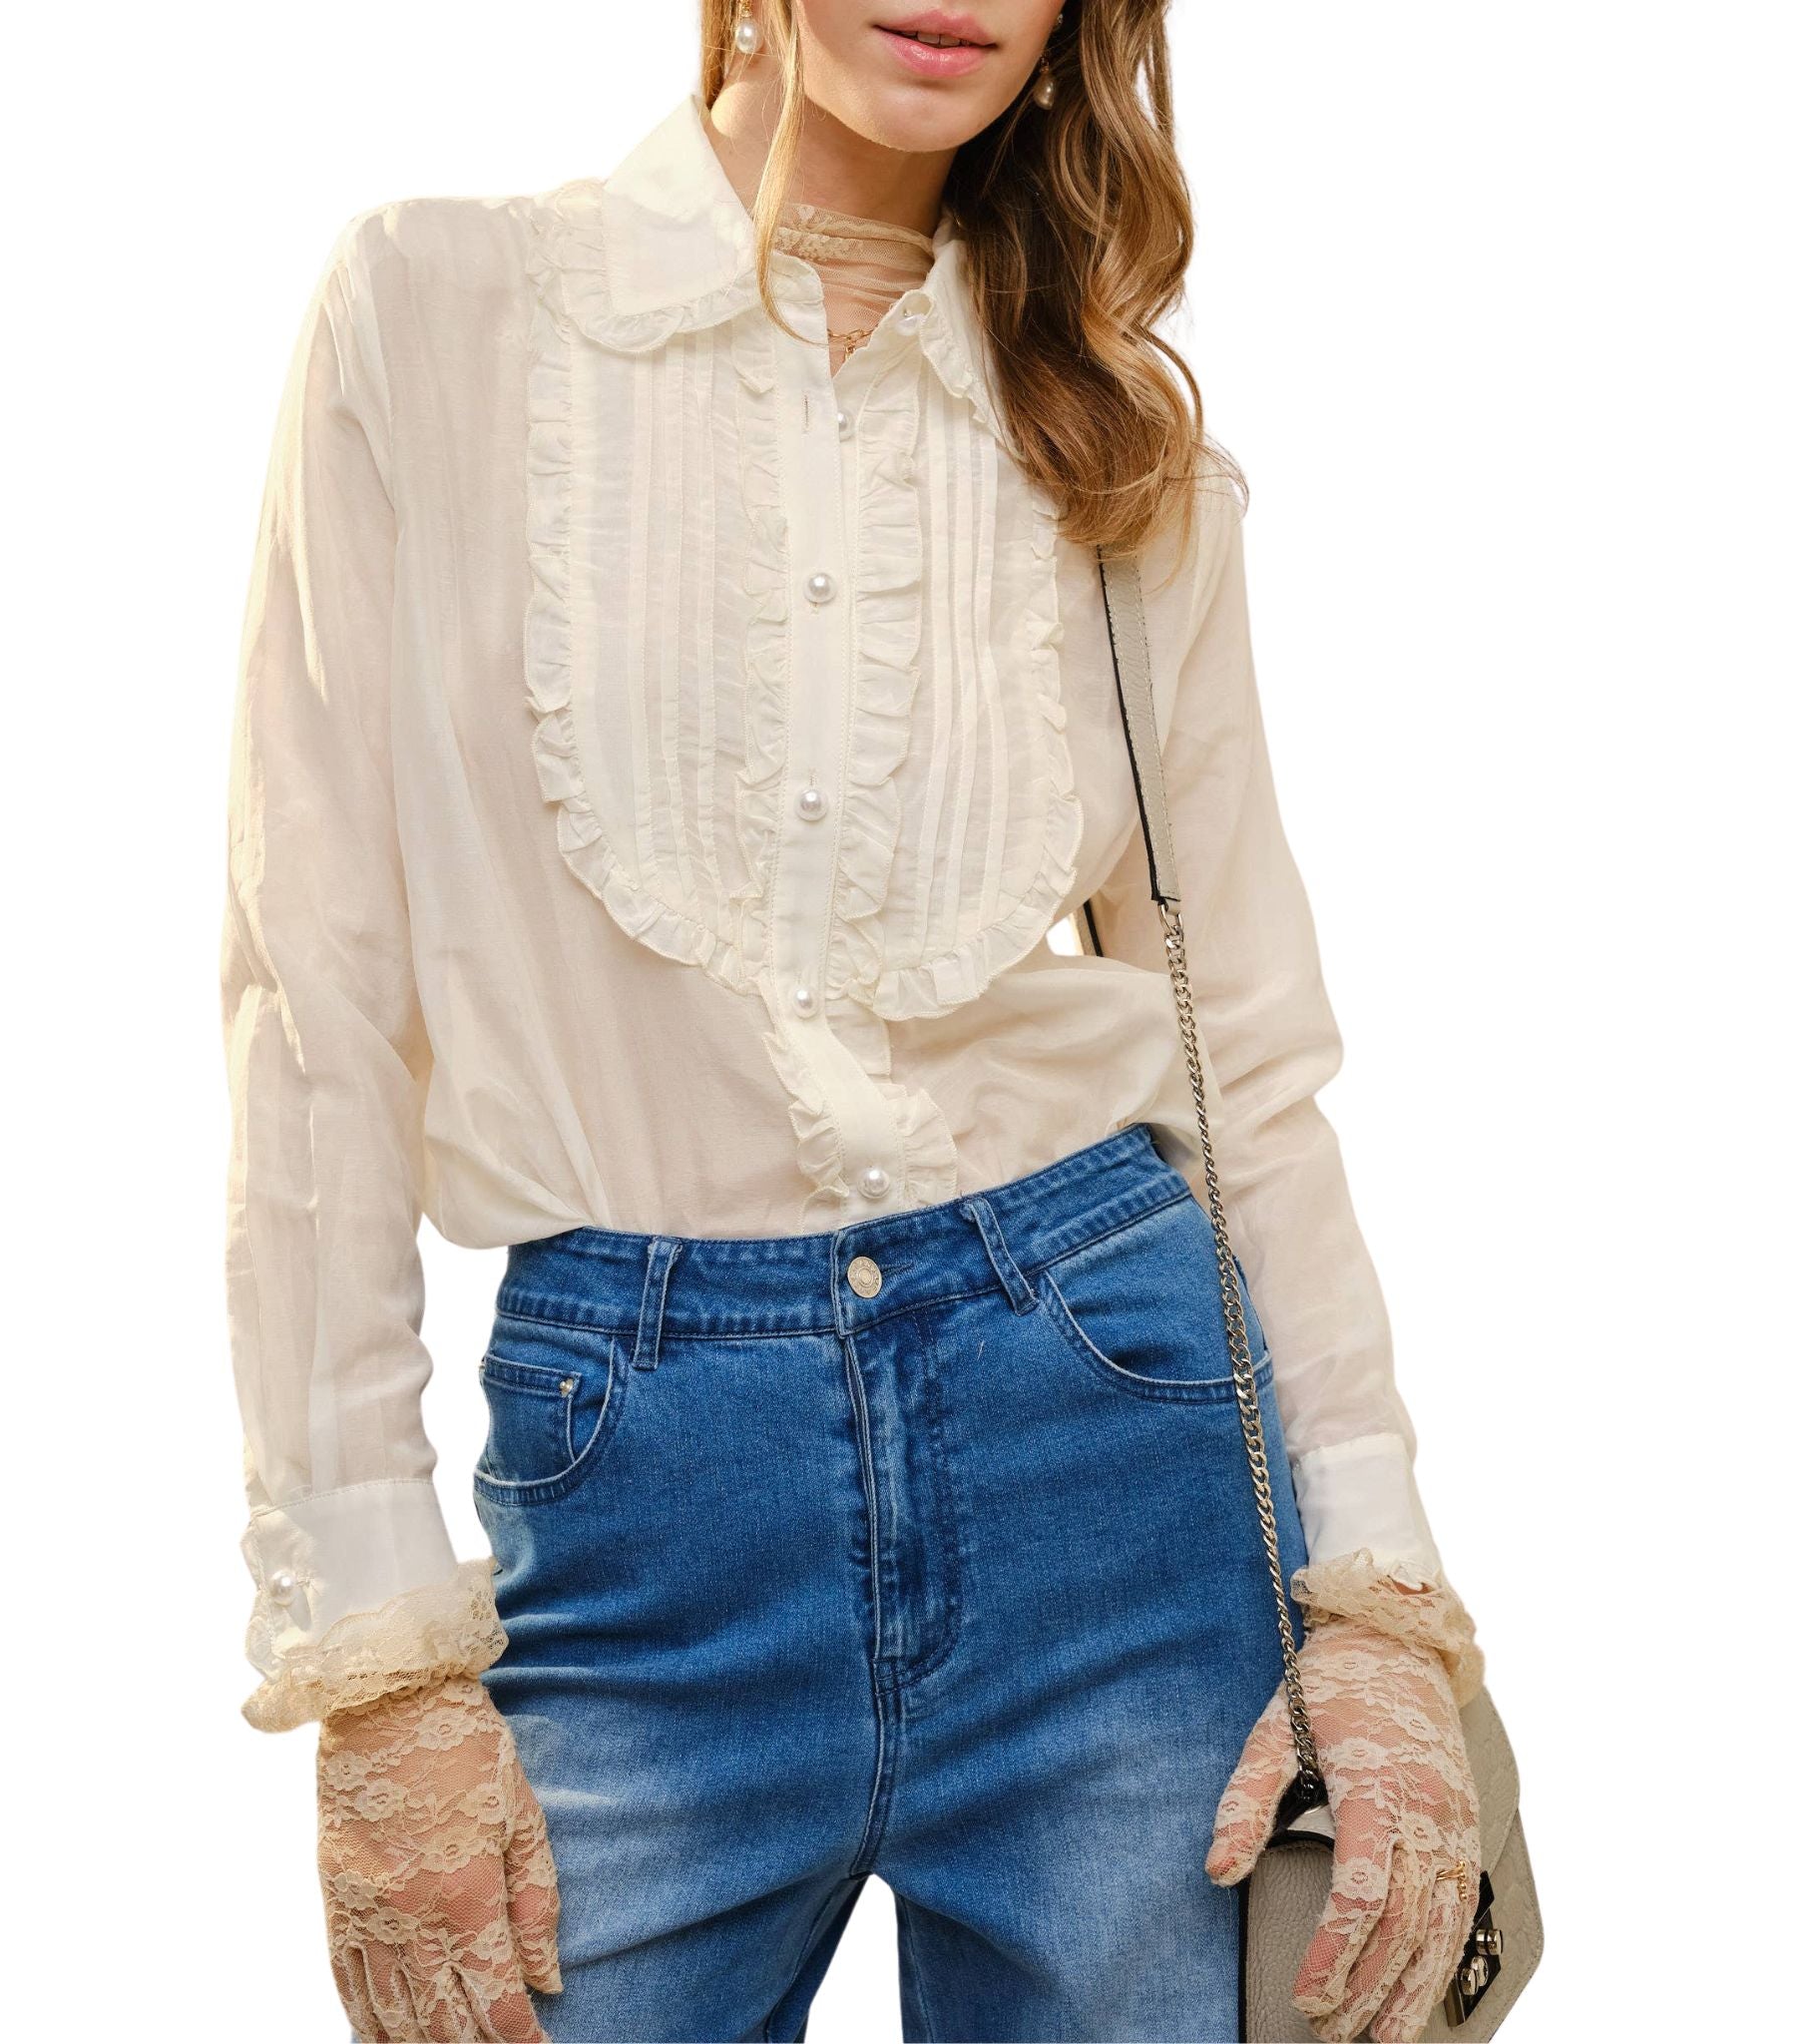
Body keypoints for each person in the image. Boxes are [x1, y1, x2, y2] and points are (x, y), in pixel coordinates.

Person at [220, 5, 1488, 2040]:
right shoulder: (438, 313)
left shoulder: (1109, 433)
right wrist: (380, 1654)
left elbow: (1246, 1049)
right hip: (641, 1489)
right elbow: (315, 1002)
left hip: (1112, 1444)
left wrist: (1379, 1602)